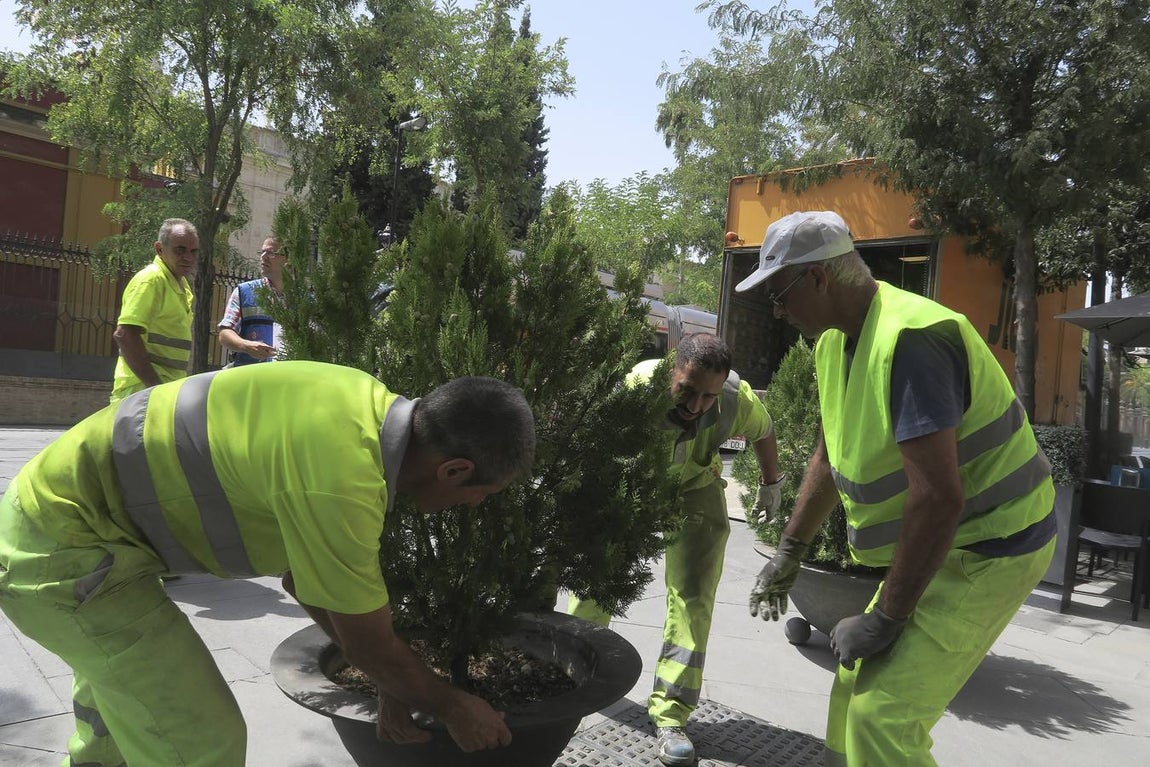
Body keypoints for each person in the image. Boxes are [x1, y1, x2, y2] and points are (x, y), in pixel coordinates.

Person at [0, 362, 536, 766]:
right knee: (201, 740)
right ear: (454, 471)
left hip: (61, 522)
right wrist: (452, 706)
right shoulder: (344, 481)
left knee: (122, 716)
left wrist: (394, 685)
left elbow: (308, 583)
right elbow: (369, 644)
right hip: (66, 553)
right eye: (483, 493)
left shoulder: (358, 406)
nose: (476, 506)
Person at [739, 211, 1056, 766]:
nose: (777, 310)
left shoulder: (913, 341)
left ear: (818, 278)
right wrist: (790, 550)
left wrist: (886, 618)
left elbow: (937, 497)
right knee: (851, 690)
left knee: (881, 718)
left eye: (780, 293)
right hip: (950, 542)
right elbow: (827, 454)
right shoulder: (833, 344)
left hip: (994, 548)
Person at [569, 332, 783, 767]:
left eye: (707, 395)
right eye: (687, 389)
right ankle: (571, 682)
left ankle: (671, 715)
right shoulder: (636, 386)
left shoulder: (736, 399)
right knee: (596, 581)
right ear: (672, 369)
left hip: (695, 489)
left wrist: (771, 482)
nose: (696, 404)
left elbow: (765, 430)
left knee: (693, 598)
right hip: (632, 486)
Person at [110, 218, 198, 402]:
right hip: (140, 393)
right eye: (180, 250)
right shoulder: (151, 280)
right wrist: (154, 387)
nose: (188, 257)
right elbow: (124, 334)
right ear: (159, 249)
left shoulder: (180, 285)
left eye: (193, 251)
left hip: (161, 392)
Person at [218, 236, 287, 365]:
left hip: (290, 379)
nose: (263, 257)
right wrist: (246, 346)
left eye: (271, 253)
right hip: (251, 377)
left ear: (288, 260)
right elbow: (225, 334)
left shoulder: (306, 300)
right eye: (262, 252)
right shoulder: (244, 292)